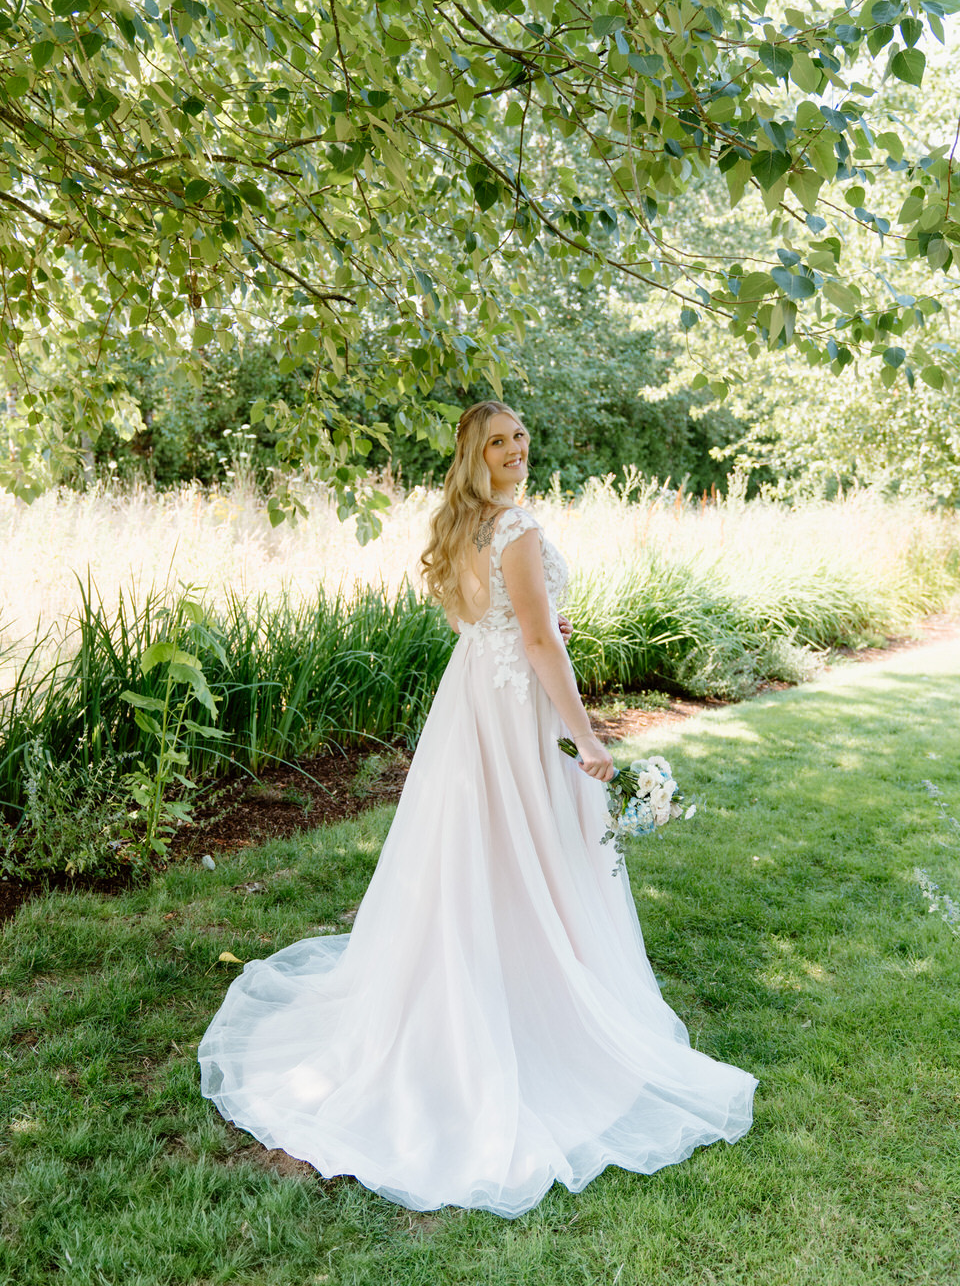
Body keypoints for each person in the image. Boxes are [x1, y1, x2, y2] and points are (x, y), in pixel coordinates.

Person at [198, 401, 757, 1217]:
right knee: (524, 840)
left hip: (471, 706)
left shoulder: (463, 524)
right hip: (518, 708)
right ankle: (531, 996)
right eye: (501, 442)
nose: (518, 450)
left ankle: (478, 969)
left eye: (524, 437)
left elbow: (485, 620)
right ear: (475, 453)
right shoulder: (519, 528)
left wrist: (537, 628)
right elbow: (536, 642)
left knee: (477, 844)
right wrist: (588, 737)